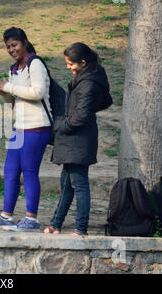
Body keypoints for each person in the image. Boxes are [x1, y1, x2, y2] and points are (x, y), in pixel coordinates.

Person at [0, 27, 52, 232]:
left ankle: (31, 219)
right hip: (19, 127)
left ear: (24, 42)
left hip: (37, 126)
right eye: (8, 47)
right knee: (10, 171)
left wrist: (9, 87)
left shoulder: (35, 63)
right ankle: (6, 216)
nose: (11, 49)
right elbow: (14, 99)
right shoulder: (14, 69)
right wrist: (3, 92)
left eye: (14, 45)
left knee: (29, 171)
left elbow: (38, 92)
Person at [43, 42, 112, 236]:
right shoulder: (88, 77)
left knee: (79, 185)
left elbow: (80, 116)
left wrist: (59, 126)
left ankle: (81, 229)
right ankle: (56, 224)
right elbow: (102, 102)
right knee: (67, 184)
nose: (68, 67)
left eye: (70, 64)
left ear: (82, 62)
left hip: (78, 139)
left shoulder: (88, 83)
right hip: (76, 139)